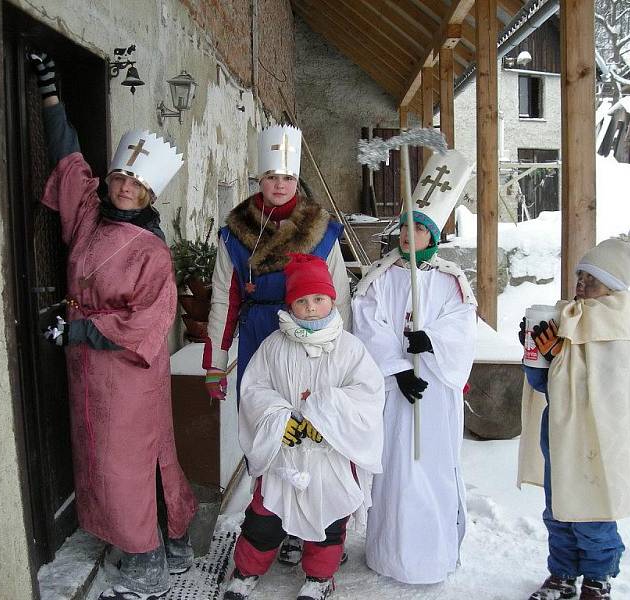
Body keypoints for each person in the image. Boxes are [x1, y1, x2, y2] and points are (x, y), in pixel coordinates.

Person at [31, 52, 196, 600]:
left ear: (150, 194)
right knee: (104, 457)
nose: (125, 185)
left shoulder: (153, 252)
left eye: (136, 182)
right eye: (121, 175)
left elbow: (148, 322)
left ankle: (148, 556)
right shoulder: (88, 220)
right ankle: (165, 539)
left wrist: (79, 332)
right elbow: (70, 160)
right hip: (88, 369)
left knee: (129, 460)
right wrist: (50, 93)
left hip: (127, 372)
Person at [203, 124, 351, 565]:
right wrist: (216, 360)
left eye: (286, 178)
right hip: (258, 334)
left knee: (312, 430)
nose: (279, 185)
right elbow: (222, 298)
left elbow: (337, 294)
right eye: (271, 177)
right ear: (259, 180)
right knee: (267, 433)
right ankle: (275, 522)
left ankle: (315, 526)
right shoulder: (235, 231)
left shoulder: (320, 230)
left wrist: (339, 352)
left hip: (311, 342)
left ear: (295, 181)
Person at [221, 254, 385, 600]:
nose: (311, 308)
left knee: (329, 521)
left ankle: (320, 578)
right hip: (284, 457)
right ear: (290, 304)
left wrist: (323, 418)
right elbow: (255, 390)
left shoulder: (351, 349)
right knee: (263, 517)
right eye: (302, 301)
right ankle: (246, 570)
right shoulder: (273, 347)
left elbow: (367, 395)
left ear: (331, 299)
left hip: (330, 458)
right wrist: (281, 421)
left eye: (318, 299)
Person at [352, 150, 477, 584]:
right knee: (395, 468)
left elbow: (462, 328)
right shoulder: (379, 278)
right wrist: (397, 366)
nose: (408, 235)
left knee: (432, 467)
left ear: (433, 236)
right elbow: (368, 320)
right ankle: (390, 552)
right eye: (403, 227)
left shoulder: (450, 281)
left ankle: (432, 552)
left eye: (418, 229)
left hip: (436, 392)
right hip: (395, 390)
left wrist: (433, 342)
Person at [518, 228, 630, 600]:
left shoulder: (624, 326)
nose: (581, 283)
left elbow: (612, 392)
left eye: (591, 279)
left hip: (599, 437)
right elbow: (545, 386)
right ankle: (561, 574)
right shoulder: (566, 315)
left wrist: (560, 357)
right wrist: (536, 356)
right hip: (561, 432)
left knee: (593, 510)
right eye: (580, 275)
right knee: (558, 507)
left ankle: (598, 576)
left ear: (611, 285)